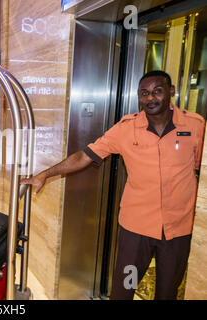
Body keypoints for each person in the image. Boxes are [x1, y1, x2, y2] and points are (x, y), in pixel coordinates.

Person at [20, 70, 205, 300]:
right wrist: (46, 174)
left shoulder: (196, 126)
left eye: (157, 91)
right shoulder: (126, 128)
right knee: (125, 289)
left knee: (168, 292)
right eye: (144, 93)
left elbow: (199, 172)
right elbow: (85, 156)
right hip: (136, 232)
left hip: (178, 230)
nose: (150, 99)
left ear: (171, 92)